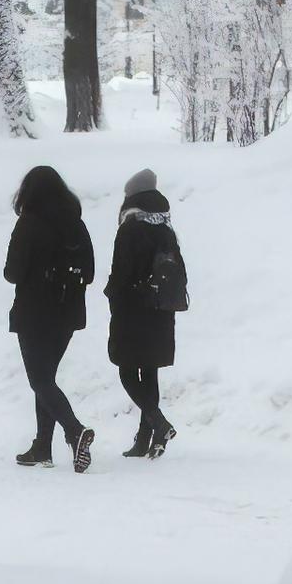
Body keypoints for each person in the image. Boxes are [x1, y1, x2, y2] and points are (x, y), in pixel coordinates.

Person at [4, 166, 96, 473]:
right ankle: (42, 446)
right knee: (46, 380)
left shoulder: (28, 224)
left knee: (40, 380)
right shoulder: (76, 224)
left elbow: (12, 273)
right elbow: (91, 273)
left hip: (33, 312)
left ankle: (74, 431)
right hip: (67, 314)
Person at [106, 168, 179, 460]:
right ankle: (146, 437)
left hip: (132, 307)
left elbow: (121, 271)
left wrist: (113, 295)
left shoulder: (131, 227)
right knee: (149, 370)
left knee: (125, 369)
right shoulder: (166, 226)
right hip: (161, 307)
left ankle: (158, 423)